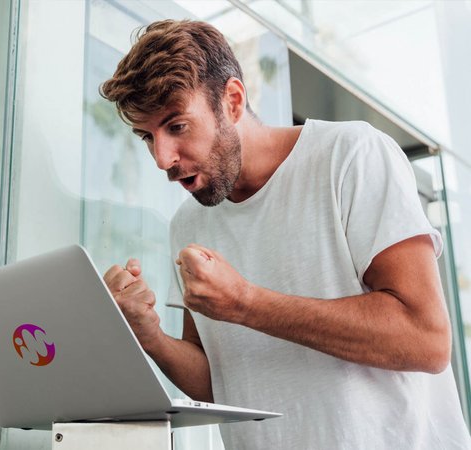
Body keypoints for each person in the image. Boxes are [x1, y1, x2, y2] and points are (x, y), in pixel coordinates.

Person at [99, 19, 471, 449]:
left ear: (233, 101)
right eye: (147, 136)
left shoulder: (350, 156)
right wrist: (150, 336)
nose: (163, 158)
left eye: (177, 126)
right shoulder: (189, 223)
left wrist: (245, 304)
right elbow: (219, 381)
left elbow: (426, 339)